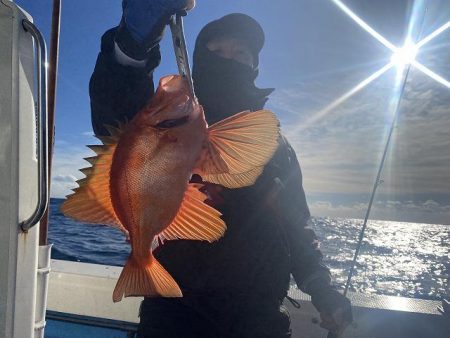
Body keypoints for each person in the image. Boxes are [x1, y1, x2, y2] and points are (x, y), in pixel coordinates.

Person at [89, 1, 352, 337]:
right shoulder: (172, 119)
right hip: (174, 314)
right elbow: (118, 118)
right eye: (219, 49)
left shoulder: (274, 144)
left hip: (259, 317)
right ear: (200, 58)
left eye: (242, 53)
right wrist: (132, 46)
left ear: (254, 67)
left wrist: (320, 286)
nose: (231, 57)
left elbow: (296, 224)